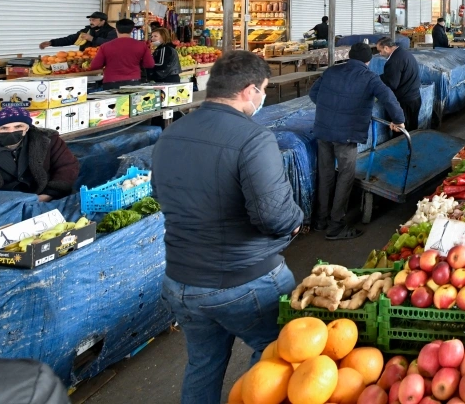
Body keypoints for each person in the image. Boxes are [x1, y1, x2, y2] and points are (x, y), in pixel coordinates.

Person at [152, 50, 302, 404]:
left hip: (181, 281)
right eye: (263, 90)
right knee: (277, 360)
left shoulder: (170, 135)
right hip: (244, 280)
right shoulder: (253, 138)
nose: (262, 97)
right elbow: (273, 215)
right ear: (250, 90)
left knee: (203, 364)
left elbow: (161, 195)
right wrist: (295, 224)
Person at [309, 42, 405, 239]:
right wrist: (399, 120)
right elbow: (388, 97)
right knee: (345, 175)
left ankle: (320, 219)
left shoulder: (331, 71)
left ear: (350, 56)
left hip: (323, 130)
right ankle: (336, 226)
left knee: (325, 173)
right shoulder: (368, 77)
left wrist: (331, 108)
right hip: (346, 135)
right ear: (368, 61)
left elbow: (313, 93)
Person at [0, 107, 79, 199]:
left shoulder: (49, 140)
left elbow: (67, 166)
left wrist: (49, 194)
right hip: (0, 201)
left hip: (44, 195)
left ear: (27, 128)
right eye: (4, 128)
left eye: (18, 127)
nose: (11, 132)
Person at [89, 18, 154, 89]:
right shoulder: (142, 45)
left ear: (116, 29)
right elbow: (149, 64)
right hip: (133, 81)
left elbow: (94, 66)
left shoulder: (105, 46)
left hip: (111, 82)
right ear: (132, 30)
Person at [377, 36, 423, 131]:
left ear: (386, 48)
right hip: (415, 98)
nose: (380, 54)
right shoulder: (405, 54)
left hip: (405, 102)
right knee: (412, 129)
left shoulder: (394, 61)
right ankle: (411, 145)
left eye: (380, 50)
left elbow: (392, 84)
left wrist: (377, 84)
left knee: (402, 132)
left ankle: (405, 145)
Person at [40, 11, 117, 50]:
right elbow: (71, 39)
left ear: (103, 21)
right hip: (84, 59)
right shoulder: (87, 30)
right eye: (90, 20)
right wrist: (52, 42)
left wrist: (92, 39)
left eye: (94, 20)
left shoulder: (112, 31)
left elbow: (111, 45)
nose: (91, 22)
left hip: (102, 61)